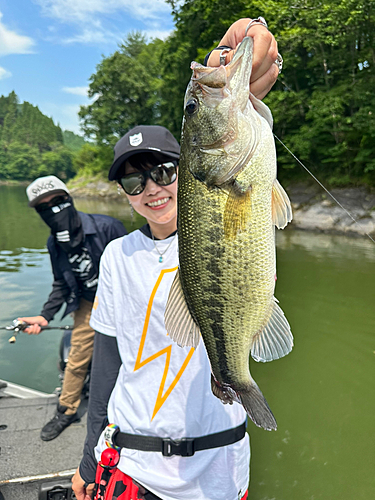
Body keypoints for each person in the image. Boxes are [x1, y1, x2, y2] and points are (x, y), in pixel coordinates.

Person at [72, 17, 280, 500]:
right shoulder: (118, 255)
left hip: (220, 469)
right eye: (133, 181)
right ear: (125, 194)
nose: (151, 188)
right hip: (131, 463)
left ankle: (235, 379)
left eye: (164, 170)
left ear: (185, 168)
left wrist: (242, 60)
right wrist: (87, 457)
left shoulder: (230, 176)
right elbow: (107, 363)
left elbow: (251, 99)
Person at [19, 175, 127, 441]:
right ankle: (66, 411)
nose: (53, 210)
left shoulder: (108, 227)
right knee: (77, 359)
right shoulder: (54, 244)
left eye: (57, 201)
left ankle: (131, 412)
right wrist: (45, 316)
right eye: (44, 207)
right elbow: (61, 284)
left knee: (132, 358)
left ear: (69, 198)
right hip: (89, 305)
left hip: (125, 301)